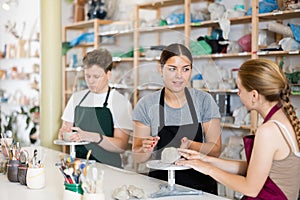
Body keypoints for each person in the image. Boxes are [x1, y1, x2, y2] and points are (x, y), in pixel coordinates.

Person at [176, 58, 300, 199]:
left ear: (254, 95)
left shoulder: (269, 131)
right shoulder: (282, 119)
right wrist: (206, 160)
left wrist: (208, 169)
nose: (238, 94)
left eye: (240, 90)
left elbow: (250, 188)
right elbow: (255, 169)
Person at [132, 43, 222, 194]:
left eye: (185, 69)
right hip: (160, 186)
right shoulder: (146, 105)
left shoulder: (204, 101)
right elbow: (137, 157)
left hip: (200, 188)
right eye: (172, 69)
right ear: (160, 69)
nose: (179, 76)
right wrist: (145, 149)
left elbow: (215, 150)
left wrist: (190, 145)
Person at [59, 48, 133, 168]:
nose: (91, 81)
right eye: (87, 76)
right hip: (78, 167)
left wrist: (92, 137)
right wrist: (63, 133)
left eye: (96, 76)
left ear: (108, 74)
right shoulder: (76, 98)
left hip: (109, 169)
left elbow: (121, 145)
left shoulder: (120, 102)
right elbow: (66, 130)